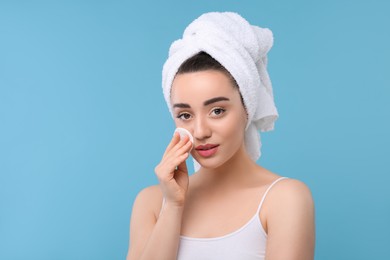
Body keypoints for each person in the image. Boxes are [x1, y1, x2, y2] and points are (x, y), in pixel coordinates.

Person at [126, 12, 315, 260]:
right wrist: (173, 207)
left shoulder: (285, 199)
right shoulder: (151, 203)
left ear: (247, 107)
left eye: (217, 111)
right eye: (185, 115)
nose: (201, 131)